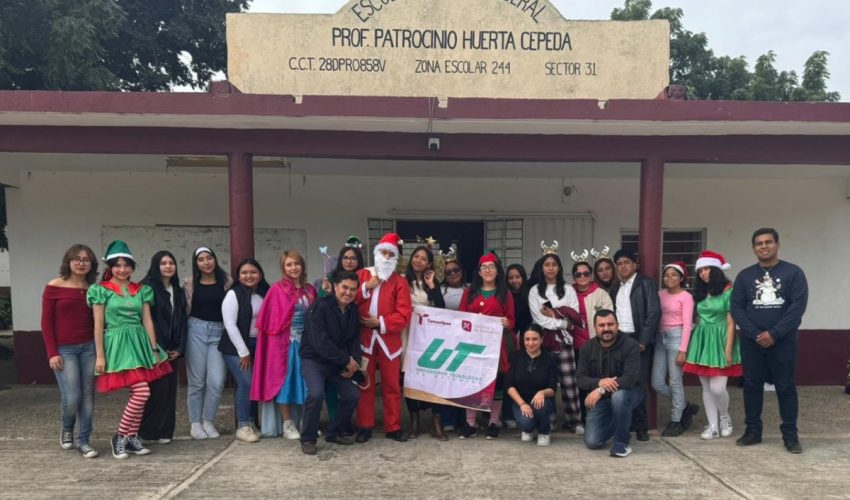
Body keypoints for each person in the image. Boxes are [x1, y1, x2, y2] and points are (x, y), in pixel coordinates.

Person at [88, 240, 173, 459]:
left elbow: (147, 321)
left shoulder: (141, 290)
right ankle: (120, 437)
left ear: (133, 267)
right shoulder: (100, 291)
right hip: (117, 343)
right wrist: (100, 356)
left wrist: (154, 349)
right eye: (118, 265)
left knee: (140, 393)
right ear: (110, 267)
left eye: (127, 265)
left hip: (140, 342)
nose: (123, 269)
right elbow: (98, 325)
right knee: (142, 391)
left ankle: (131, 437)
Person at [731, 228, 808, 453]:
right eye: (759, 243)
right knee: (752, 386)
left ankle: (790, 436)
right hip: (752, 342)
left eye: (768, 242)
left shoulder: (794, 273)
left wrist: (774, 333)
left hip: (783, 342)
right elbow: (737, 307)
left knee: (786, 387)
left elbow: (797, 308)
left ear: (777, 245)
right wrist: (755, 333)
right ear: (754, 248)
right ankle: (753, 431)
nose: (764, 246)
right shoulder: (745, 276)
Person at [251, 251, 317, 440]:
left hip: (307, 343)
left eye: (296, 263)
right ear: (283, 268)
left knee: (307, 382)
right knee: (284, 381)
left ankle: (307, 421)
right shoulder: (276, 290)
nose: (293, 267)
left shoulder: (310, 290)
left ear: (302, 266)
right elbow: (270, 321)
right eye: (289, 264)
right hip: (284, 344)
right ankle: (287, 423)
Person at [41, 244, 99, 458]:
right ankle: (67, 428)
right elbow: (47, 323)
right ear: (69, 261)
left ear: (92, 264)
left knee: (87, 398)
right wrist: (52, 353)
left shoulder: (93, 288)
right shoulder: (54, 286)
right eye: (77, 259)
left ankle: (84, 440)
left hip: (89, 348)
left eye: (86, 259)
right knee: (72, 397)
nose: (81, 263)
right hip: (64, 350)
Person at [354, 232, 412, 443]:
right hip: (364, 339)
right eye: (383, 252)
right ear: (376, 253)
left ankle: (393, 426)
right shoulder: (362, 276)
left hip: (389, 341)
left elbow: (404, 314)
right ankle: (365, 425)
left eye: (390, 254)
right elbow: (350, 299)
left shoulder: (400, 282)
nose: (386, 257)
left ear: (396, 257)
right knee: (364, 383)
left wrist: (380, 323)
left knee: (391, 385)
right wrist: (366, 288)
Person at [299, 270, 363, 455]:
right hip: (314, 360)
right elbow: (320, 343)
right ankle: (308, 438)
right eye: (344, 287)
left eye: (352, 289)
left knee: (352, 395)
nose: (348, 293)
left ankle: (333, 432)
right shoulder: (319, 307)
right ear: (335, 286)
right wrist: (346, 361)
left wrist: (355, 362)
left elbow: (353, 340)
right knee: (316, 394)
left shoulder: (353, 310)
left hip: (336, 362)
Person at [683, 251, 741, 440]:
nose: (703, 273)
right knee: (706, 387)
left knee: (718, 388)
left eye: (707, 269)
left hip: (721, 337)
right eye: (700, 271)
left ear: (716, 269)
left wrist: (728, 348)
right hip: (702, 338)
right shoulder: (700, 292)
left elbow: (731, 322)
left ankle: (725, 417)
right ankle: (713, 425)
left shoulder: (728, 290)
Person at [459, 251, 515, 440]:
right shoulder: (469, 293)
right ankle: (470, 423)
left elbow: (512, 320)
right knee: (471, 382)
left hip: (496, 347)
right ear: (479, 272)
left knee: (496, 383)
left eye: (492, 267)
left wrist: (507, 324)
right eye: (484, 267)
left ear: (498, 271)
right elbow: (461, 318)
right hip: (473, 345)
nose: (488, 270)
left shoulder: (505, 294)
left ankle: (493, 422)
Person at [608, 249, 660, 442]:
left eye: (626, 262)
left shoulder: (645, 284)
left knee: (638, 382)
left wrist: (643, 341)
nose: (623, 266)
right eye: (619, 263)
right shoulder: (615, 288)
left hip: (638, 340)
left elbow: (653, 313)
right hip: (619, 340)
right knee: (622, 381)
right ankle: (626, 422)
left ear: (635, 264)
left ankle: (641, 426)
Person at [528, 248, 582, 433]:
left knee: (569, 382)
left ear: (559, 268)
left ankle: (575, 420)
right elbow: (538, 318)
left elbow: (574, 315)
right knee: (545, 383)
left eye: (554, 265)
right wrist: (561, 320)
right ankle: (547, 420)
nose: (550, 268)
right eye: (547, 265)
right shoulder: (535, 291)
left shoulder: (568, 289)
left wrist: (553, 313)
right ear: (541, 268)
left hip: (564, 341)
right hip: (543, 341)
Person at [577, 309, 643, 458]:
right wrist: (599, 382)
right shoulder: (587, 348)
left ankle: (622, 442)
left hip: (630, 393)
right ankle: (622, 420)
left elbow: (630, 379)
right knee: (592, 442)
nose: (606, 328)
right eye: (601, 325)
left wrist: (600, 390)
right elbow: (580, 378)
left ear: (617, 325)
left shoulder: (631, 345)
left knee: (618, 397)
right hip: (603, 400)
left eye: (610, 324)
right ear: (595, 327)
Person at [138, 251, 188, 445]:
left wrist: (179, 348)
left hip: (172, 349)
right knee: (154, 390)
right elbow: (147, 321)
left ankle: (166, 431)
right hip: (154, 348)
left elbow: (182, 321)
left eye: (171, 263)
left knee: (169, 391)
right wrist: (157, 348)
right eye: (163, 263)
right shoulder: (147, 288)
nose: (168, 266)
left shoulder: (178, 290)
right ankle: (147, 432)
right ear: (155, 266)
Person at [184, 246, 232, 440]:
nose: (206, 262)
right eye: (201, 259)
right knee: (197, 381)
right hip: (196, 329)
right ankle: (195, 423)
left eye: (209, 258)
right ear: (196, 263)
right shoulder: (189, 283)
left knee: (216, 380)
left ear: (215, 259)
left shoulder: (227, 282)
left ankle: (208, 420)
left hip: (220, 331)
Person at [220, 258, 270, 443]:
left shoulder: (264, 292)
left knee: (255, 384)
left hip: (259, 344)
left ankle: (251, 422)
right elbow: (230, 325)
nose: (249, 276)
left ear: (260, 274)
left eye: (253, 272)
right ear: (238, 276)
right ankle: (242, 425)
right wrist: (243, 352)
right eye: (244, 273)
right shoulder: (233, 294)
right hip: (235, 348)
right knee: (246, 383)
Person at [320, 237, 365, 431]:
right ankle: (335, 420)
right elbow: (321, 305)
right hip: (332, 339)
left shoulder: (367, 278)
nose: (349, 261)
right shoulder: (330, 279)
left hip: (356, 334)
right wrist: (326, 292)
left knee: (353, 381)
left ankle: (349, 420)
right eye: (345, 257)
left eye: (353, 258)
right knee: (331, 383)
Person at [402, 244, 447, 440]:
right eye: (416, 256)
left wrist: (431, 285)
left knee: (434, 375)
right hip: (406, 333)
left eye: (423, 258)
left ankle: (436, 422)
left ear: (429, 263)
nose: (418, 260)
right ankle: (414, 420)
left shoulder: (433, 282)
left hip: (428, 336)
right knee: (408, 376)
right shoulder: (402, 281)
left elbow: (441, 307)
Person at [654, 261, 700, 437]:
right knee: (656, 382)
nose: (669, 278)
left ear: (681, 277)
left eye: (674, 275)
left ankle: (676, 421)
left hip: (677, 336)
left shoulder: (686, 297)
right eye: (666, 275)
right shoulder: (660, 294)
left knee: (675, 381)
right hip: (660, 337)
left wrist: (683, 350)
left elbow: (688, 324)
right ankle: (686, 406)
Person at [571, 258, 614, 433]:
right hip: (574, 344)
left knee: (596, 381)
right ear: (574, 276)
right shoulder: (568, 292)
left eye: (586, 273)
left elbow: (609, 317)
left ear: (591, 275)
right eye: (578, 274)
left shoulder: (601, 293)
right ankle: (582, 417)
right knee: (579, 382)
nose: (582, 276)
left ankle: (598, 415)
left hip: (595, 344)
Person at [505, 324, 558, 446]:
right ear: (523, 340)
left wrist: (542, 392)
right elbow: (509, 385)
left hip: (542, 401)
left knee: (540, 405)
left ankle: (544, 431)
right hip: (521, 400)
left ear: (541, 340)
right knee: (526, 422)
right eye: (527, 339)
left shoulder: (550, 359)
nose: (530, 343)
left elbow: (553, 388)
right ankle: (528, 429)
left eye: (534, 339)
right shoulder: (515, 357)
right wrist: (522, 404)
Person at [439, 251, 468, 432]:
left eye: (455, 270)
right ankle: (447, 418)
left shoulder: (471, 289)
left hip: (466, 340)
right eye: (448, 272)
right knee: (447, 380)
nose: (452, 274)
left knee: (464, 381)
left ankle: (464, 419)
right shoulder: (439, 290)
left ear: (461, 270)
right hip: (446, 341)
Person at [507, 264, 532, 338]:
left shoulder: (530, 293)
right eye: (510, 278)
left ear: (523, 277)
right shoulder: (505, 295)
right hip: (510, 332)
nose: (514, 280)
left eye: (517, 277)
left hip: (527, 332)